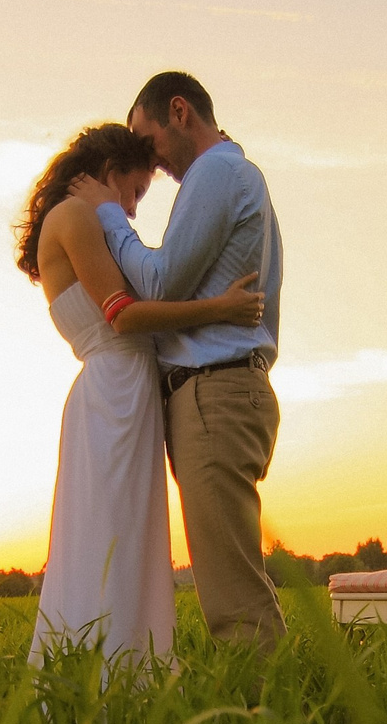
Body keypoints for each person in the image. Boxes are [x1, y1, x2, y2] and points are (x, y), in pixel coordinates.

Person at [18, 123, 263, 669]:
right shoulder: (77, 217)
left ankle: (124, 675)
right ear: (111, 171)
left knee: (127, 540)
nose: (130, 209)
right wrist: (220, 308)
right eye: (133, 192)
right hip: (115, 394)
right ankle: (104, 678)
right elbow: (123, 314)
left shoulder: (83, 220)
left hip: (125, 394)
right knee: (111, 540)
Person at [68, 72, 285, 647]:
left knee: (233, 598)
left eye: (149, 137)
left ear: (180, 112)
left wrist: (109, 213)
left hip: (215, 393)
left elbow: (160, 285)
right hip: (221, 392)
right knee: (232, 580)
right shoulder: (237, 177)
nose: (151, 158)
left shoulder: (217, 172)